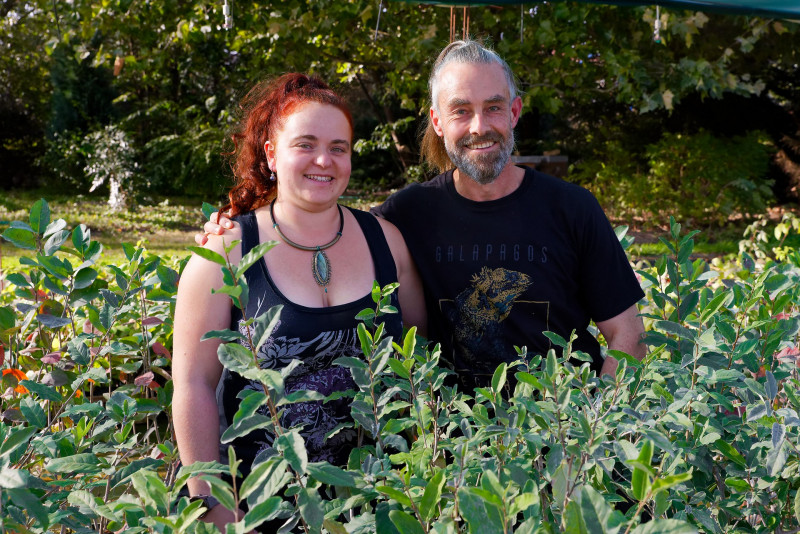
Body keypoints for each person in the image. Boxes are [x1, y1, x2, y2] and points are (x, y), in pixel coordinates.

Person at [200, 40, 646, 391]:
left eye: (493, 107)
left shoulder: (571, 208)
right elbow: (323, 227)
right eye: (460, 111)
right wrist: (234, 226)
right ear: (437, 121)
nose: (478, 126)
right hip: (451, 451)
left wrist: (592, 431)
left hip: (560, 436)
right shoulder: (407, 214)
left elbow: (627, 336)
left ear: (514, 112)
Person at [174, 73, 425, 532]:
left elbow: (417, 359)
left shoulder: (386, 242)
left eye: (339, 147)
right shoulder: (225, 252)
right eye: (305, 144)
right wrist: (212, 501)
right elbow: (192, 385)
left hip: (377, 504)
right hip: (259, 508)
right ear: (271, 153)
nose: (324, 160)